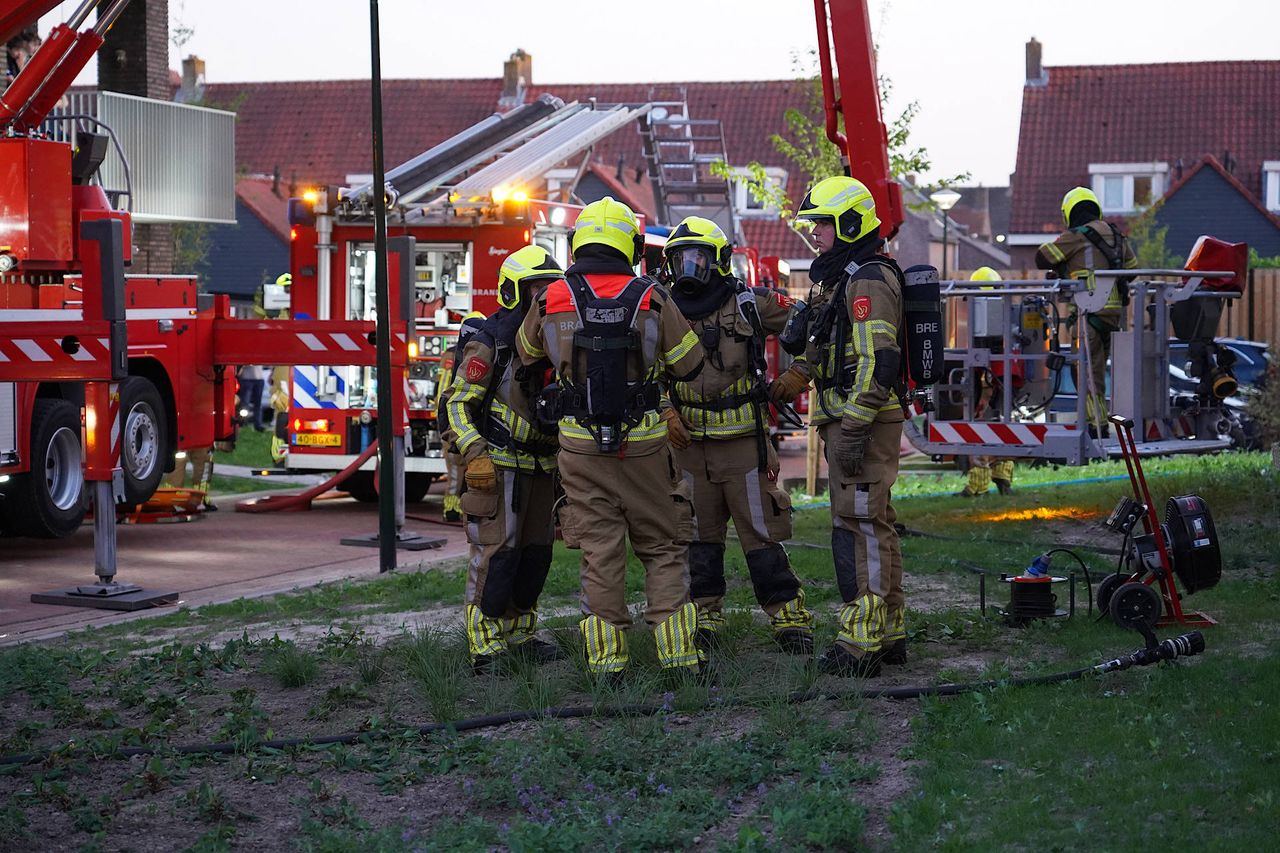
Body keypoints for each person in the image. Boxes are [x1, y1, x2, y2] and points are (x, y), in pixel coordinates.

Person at [516, 197, 722, 678]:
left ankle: (607, 662)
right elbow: (691, 367)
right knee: (663, 546)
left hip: (580, 449)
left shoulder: (551, 296)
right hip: (646, 447)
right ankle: (679, 656)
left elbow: (527, 354)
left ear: (577, 244)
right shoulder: (652, 296)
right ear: (629, 245)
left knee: (600, 551)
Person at [660, 215, 815, 654]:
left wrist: (801, 372)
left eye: (697, 257)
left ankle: (789, 619)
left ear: (720, 260)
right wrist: (665, 409)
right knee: (697, 538)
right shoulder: (662, 308)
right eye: (679, 258)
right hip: (688, 450)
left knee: (761, 536)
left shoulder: (752, 304)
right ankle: (705, 615)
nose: (687, 267)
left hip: (744, 447)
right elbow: (642, 367)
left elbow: (815, 329)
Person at [794, 175, 906, 678]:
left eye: (822, 224)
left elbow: (877, 361)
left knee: (860, 528)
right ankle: (889, 631)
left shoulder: (866, 281)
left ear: (850, 223)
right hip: (851, 419)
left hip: (861, 421)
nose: (816, 233)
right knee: (871, 524)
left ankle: (862, 642)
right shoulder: (847, 277)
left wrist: (856, 427)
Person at [442, 246, 565, 673]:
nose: (543, 298)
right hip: (498, 468)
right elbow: (457, 405)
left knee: (535, 556)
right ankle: (485, 645)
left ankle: (522, 634)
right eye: (535, 288)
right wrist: (475, 455)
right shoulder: (490, 342)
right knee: (496, 556)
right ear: (512, 292)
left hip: (543, 467)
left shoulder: (555, 343)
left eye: (550, 288)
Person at [1035, 187, 1136, 438]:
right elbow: (1132, 269)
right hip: (1114, 317)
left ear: (1069, 213)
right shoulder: (1117, 235)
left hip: (1087, 316)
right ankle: (1102, 420)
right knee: (1099, 371)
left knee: (1086, 374)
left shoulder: (1076, 236)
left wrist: (1064, 263)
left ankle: (1097, 427)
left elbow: (1043, 257)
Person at [958, 267, 1015, 497]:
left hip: (993, 381)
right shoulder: (1004, 315)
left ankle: (978, 485)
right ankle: (1003, 478)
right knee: (1003, 424)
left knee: (980, 426)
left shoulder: (985, 323)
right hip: (1001, 382)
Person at [236, 364, 267, 431]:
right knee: (245, 403)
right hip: (247, 379)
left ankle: (258, 424)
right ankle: (243, 422)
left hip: (258, 378)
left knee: (256, 403)